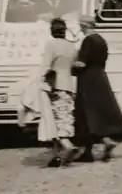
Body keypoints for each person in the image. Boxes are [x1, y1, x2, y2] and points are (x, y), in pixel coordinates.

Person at [73, 15, 122, 163]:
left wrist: (70, 64)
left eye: (80, 25)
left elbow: (82, 63)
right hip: (100, 77)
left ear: (84, 26)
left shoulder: (88, 40)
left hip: (88, 79)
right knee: (97, 113)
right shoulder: (101, 40)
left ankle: (91, 150)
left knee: (86, 114)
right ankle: (103, 143)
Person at [40, 18, 80, 167]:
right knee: (65, 117)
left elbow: (46, 66)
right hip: (69, 86)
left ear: (51, 30)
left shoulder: (51, 45)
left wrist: (37, 80)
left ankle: (67, 146)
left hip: (54, 86)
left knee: (53, 120)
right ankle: (56, 156)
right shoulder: (71, 47)